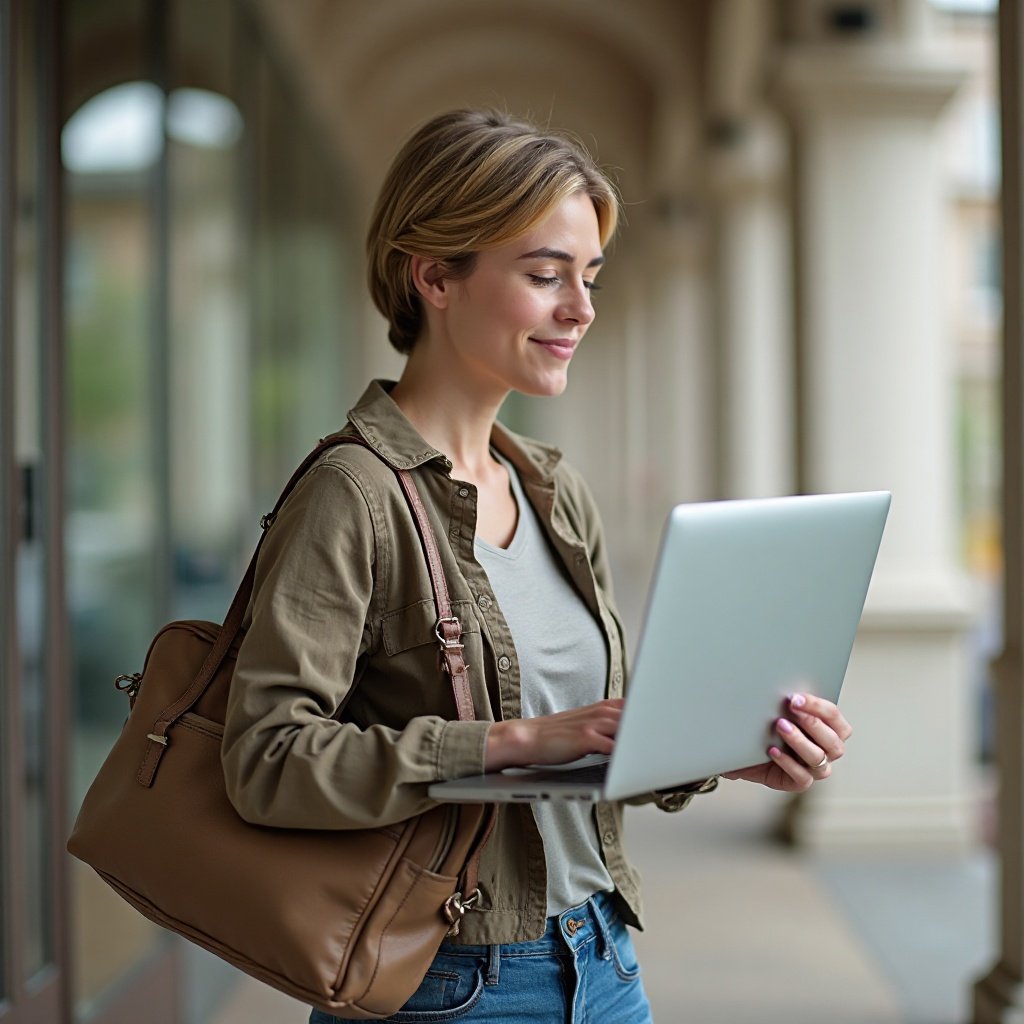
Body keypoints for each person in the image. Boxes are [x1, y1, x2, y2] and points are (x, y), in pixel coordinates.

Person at [220, 108, 853, 1023]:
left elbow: (591, 733)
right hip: (441, 984)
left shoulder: (551, 486)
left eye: (588, 277)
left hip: (603, 959)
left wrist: (729, 751)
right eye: (545, 275)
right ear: (435, 275)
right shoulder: (353, 495)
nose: (581, 309)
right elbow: (267, 759)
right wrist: (511, 741)